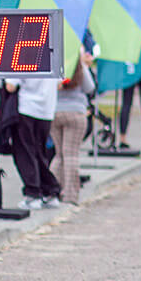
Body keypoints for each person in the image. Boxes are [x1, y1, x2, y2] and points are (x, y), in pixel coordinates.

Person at [4, 70, 61, 209]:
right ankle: (49, 191)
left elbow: (10, 86)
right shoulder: (54, 54)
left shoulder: (23, 54)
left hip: (27, 108)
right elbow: (59, 84)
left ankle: (33, 193)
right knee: (40, 152)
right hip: (47, 110)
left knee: (25, 152)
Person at [51, 48, 96, 205]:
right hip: (76, 113)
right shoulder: (78, 65)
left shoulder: (53, 64)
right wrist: (84, 65)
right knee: (71, 155)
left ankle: (53, 192)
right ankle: (70, 195)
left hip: (55, 112)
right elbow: (90, 88)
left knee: (59, 155)